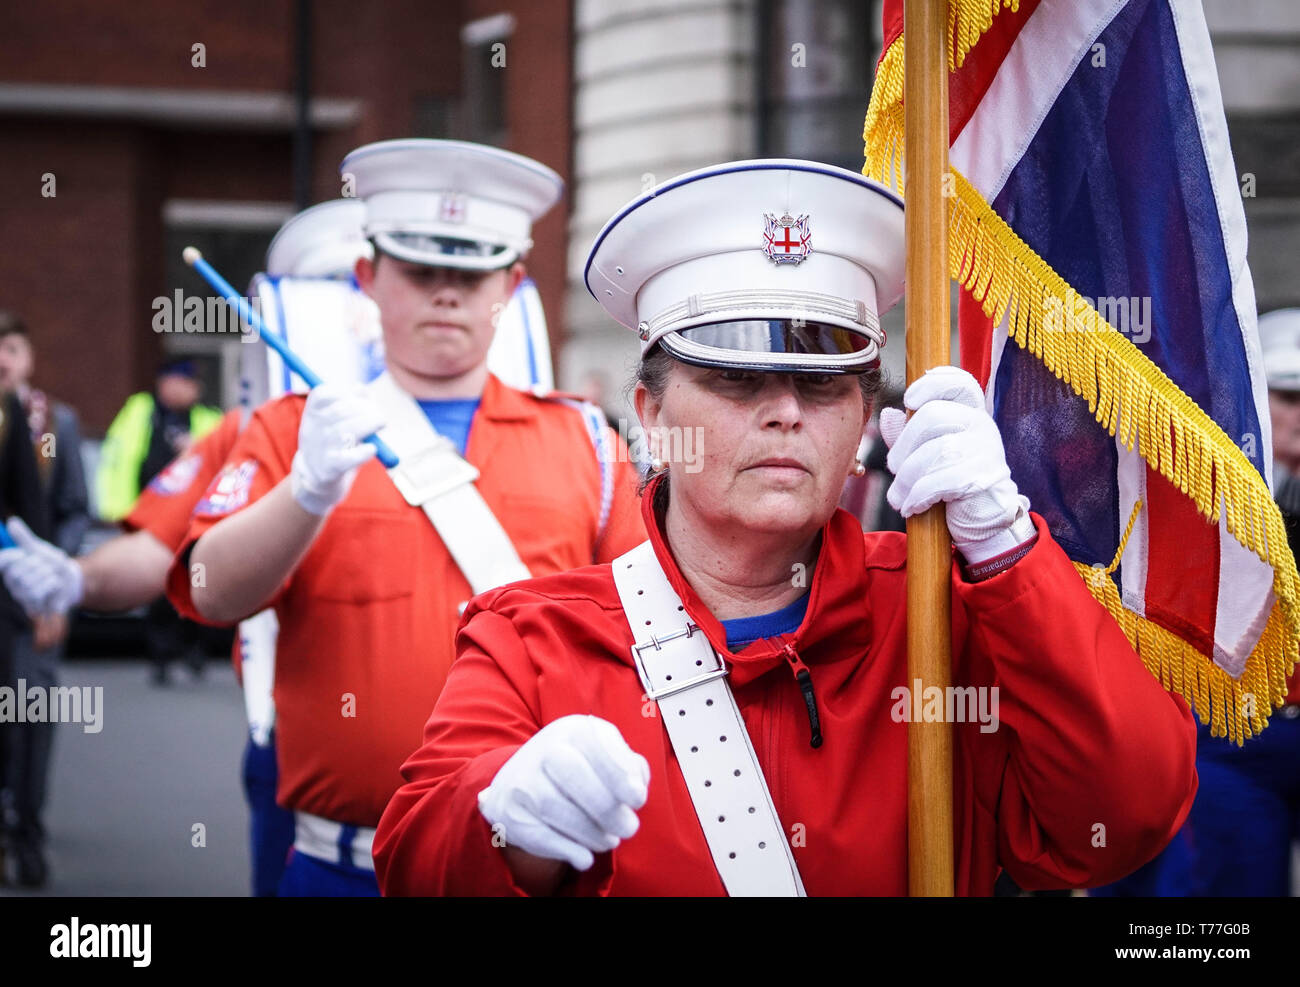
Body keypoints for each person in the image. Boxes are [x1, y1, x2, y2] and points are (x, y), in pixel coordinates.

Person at [371, 159, 1198, 897]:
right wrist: (502, 821)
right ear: (652, 416)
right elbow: (413, 861)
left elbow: (1122, 817)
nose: (786, 414)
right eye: (737, 378)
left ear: (865, 417)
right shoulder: (533, 636)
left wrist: (1008, 551)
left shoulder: (945, 613)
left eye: (825, 381)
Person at [165, 139, 647, 897]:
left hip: (524, 867)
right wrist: (306, 490)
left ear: (512, 284)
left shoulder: (587, 440)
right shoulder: (292, 429)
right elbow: (210, 590)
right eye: (422, 271)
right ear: (368, 277)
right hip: (341, 870)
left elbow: (649, 629)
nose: (447, 294)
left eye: (471, 273)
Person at [0, 200, 373, 896]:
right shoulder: (247, 428)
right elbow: (160, 551)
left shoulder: (533, 428)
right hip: (302, 753)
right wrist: (76, 578)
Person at [0, 313, 89, 887]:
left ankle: (27, 834)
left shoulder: (53, 423)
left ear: (28, 356)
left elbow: (73, 508)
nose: (2, 358)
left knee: (31, 718)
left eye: (10, 346)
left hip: (31, 604)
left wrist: (52, 587)